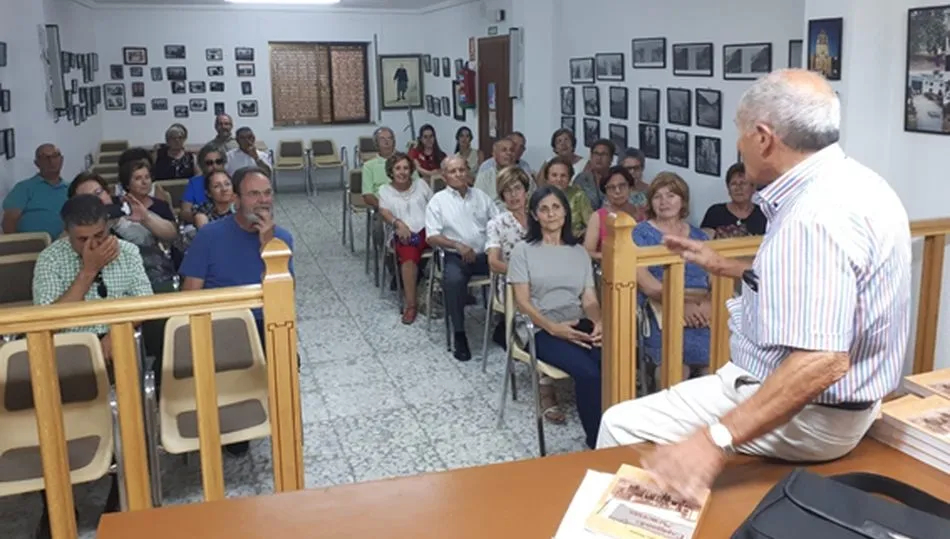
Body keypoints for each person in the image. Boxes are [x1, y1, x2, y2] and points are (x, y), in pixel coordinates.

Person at [596, 69, 912, 506]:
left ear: (763, 137)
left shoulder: (815, 215)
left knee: (619, 422)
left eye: (741, 135)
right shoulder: (858, 184)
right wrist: (727, 265)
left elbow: (823, 360)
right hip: (841, 405)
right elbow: (819, 288)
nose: (739, 146)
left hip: (811, 416)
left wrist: (713, 439)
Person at [30, 194, 153, 539]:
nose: (93, 244)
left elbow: (144, 303)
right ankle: (57, 506)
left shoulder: (127, 253)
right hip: (65, 354)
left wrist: (120, 329)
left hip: (117, 347)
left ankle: (121, 500)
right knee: (50, 423)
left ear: (108, 227)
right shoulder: (50, 260)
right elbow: (47, 322)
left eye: (99, 236)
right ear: (66, 233)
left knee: (130, 415)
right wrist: (88, 271)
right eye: (82, 239)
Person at [180, 166, 293, 455]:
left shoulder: (282, 239)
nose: (262, 200)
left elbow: (282, 296)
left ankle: (280, 422)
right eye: (253, 194)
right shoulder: (209, 236)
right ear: (237, 200)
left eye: (267, 193)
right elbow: (189, 295)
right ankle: (233, 422)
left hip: (263, 321)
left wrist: (266, 243)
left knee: (286, 358)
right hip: (220, 322)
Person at [508, 185, 602, 449]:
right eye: (544, 209)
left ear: (565, 212)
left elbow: (590, 300)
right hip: (540, 326)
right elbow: (523, 302)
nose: (551, 214)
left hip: (576, 318)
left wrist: (599, 322)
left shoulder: (578, 252)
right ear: (535, 216)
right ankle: (597, 443)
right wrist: (553, 328)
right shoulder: (523, 251)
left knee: (611, 361)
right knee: (589, 373)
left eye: (556, 207)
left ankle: (616, 432)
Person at [633, 172, 711, 383]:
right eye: (657, 196)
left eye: (671, 195)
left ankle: (706, 417)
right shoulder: (639, 234)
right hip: (661, 311)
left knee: (712, 370)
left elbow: (716, 278)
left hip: (703, 313)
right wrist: (681, 305)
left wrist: (706, 306)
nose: (664, 202)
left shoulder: (699, 236)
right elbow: (648, 286)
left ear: (683, 200)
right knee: (677, 370)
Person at [425, 155, 498, 361]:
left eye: (461, 170)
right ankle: (459, 333)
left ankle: (505, 326)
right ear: (444, 175)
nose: (458, 174)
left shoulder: (482, 197)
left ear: (468, 172)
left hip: (485, 254)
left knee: (513, 272)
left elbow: (497, 223)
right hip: (454, 256)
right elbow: (432, 236)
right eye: (452, 171)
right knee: (454, 281)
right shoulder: (438, 201)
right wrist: (457, 245)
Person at [377, 152, 433, 324]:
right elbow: (384, 212)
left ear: (411, 170)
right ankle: (411, 305)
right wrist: (398, 223)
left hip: (426, 229)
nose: (402, 172)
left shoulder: (421, 184)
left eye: (406, 168)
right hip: (402, 231)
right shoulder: (384, 190)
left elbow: (434, 205)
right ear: (391, 171)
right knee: (408, 254)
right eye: (398, 168)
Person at [112, 161, 179, 292]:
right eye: (138, 178)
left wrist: (146, 218)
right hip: (123, 267)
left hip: (158, 266)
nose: (144, 182)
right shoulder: (116, 206)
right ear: (127, 183)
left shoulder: (160, 206)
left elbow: (172, 235)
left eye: (147, 177)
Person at [2, 144, 68, 239]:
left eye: (55, 156)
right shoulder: (24, 188)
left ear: (61, 159)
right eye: (45, 157)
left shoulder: (71, 188)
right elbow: (8, 222)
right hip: (32, 247)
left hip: (65, 245)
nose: (51, 161)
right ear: (37, 163)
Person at [583, 165, 645, 261]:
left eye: (622, 186)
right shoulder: (598, 217)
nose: (617, 191)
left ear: (630, 187)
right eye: (611, 187)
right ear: (605, 192)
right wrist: (616, 258)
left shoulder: (642, 214)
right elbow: (588, 252)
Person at [700, 162, 767, 238]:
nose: (738, 188)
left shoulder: (763, 214)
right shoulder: (715, 212)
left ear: (753, 188)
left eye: (743, 183)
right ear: (728, 189)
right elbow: (702, 241)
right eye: (734, 184)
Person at [542, 156, 592, 239]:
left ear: (570, 178)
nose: (559, 179)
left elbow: (592, 224)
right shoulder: (540, 197)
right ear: (547, 178)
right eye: (554, 175)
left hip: (574, 243)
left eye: (563, 175)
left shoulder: (579, 196)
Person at [180, 143, 228, 224]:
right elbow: (185, 212)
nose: (214, 166)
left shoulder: (231, 180)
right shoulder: (195, 183)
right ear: (202, 165)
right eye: (209, 163)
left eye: (218, 162)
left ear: (224, 163)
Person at [474, 138, 520, 209]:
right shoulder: (485, 177)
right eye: (504, 150)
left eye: (512, 150)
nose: (509, 153)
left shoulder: (524, 176)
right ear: (494, 155)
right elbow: (478, 204)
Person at [572, 139, 615, 211]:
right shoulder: (581, 179)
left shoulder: (617, 179)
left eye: (603, 154)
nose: (599, 158)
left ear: (611, 158)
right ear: (591, 156)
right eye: (596, 153)